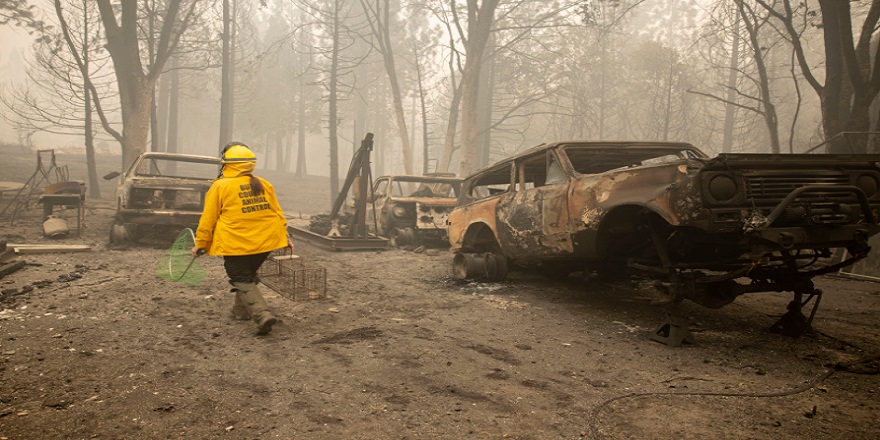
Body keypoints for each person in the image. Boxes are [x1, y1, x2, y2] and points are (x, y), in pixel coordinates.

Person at [191, 142, 293, 335]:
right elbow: (278, 213)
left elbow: (208, 218)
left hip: (236, 242)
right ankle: (240, 310)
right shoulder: (264, 183)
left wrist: (200, 244)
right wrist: (285, 237)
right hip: (266, 241)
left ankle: (262, 314)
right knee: (248, 273)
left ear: (226, 164)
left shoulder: (220, 186)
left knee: (240, 276)